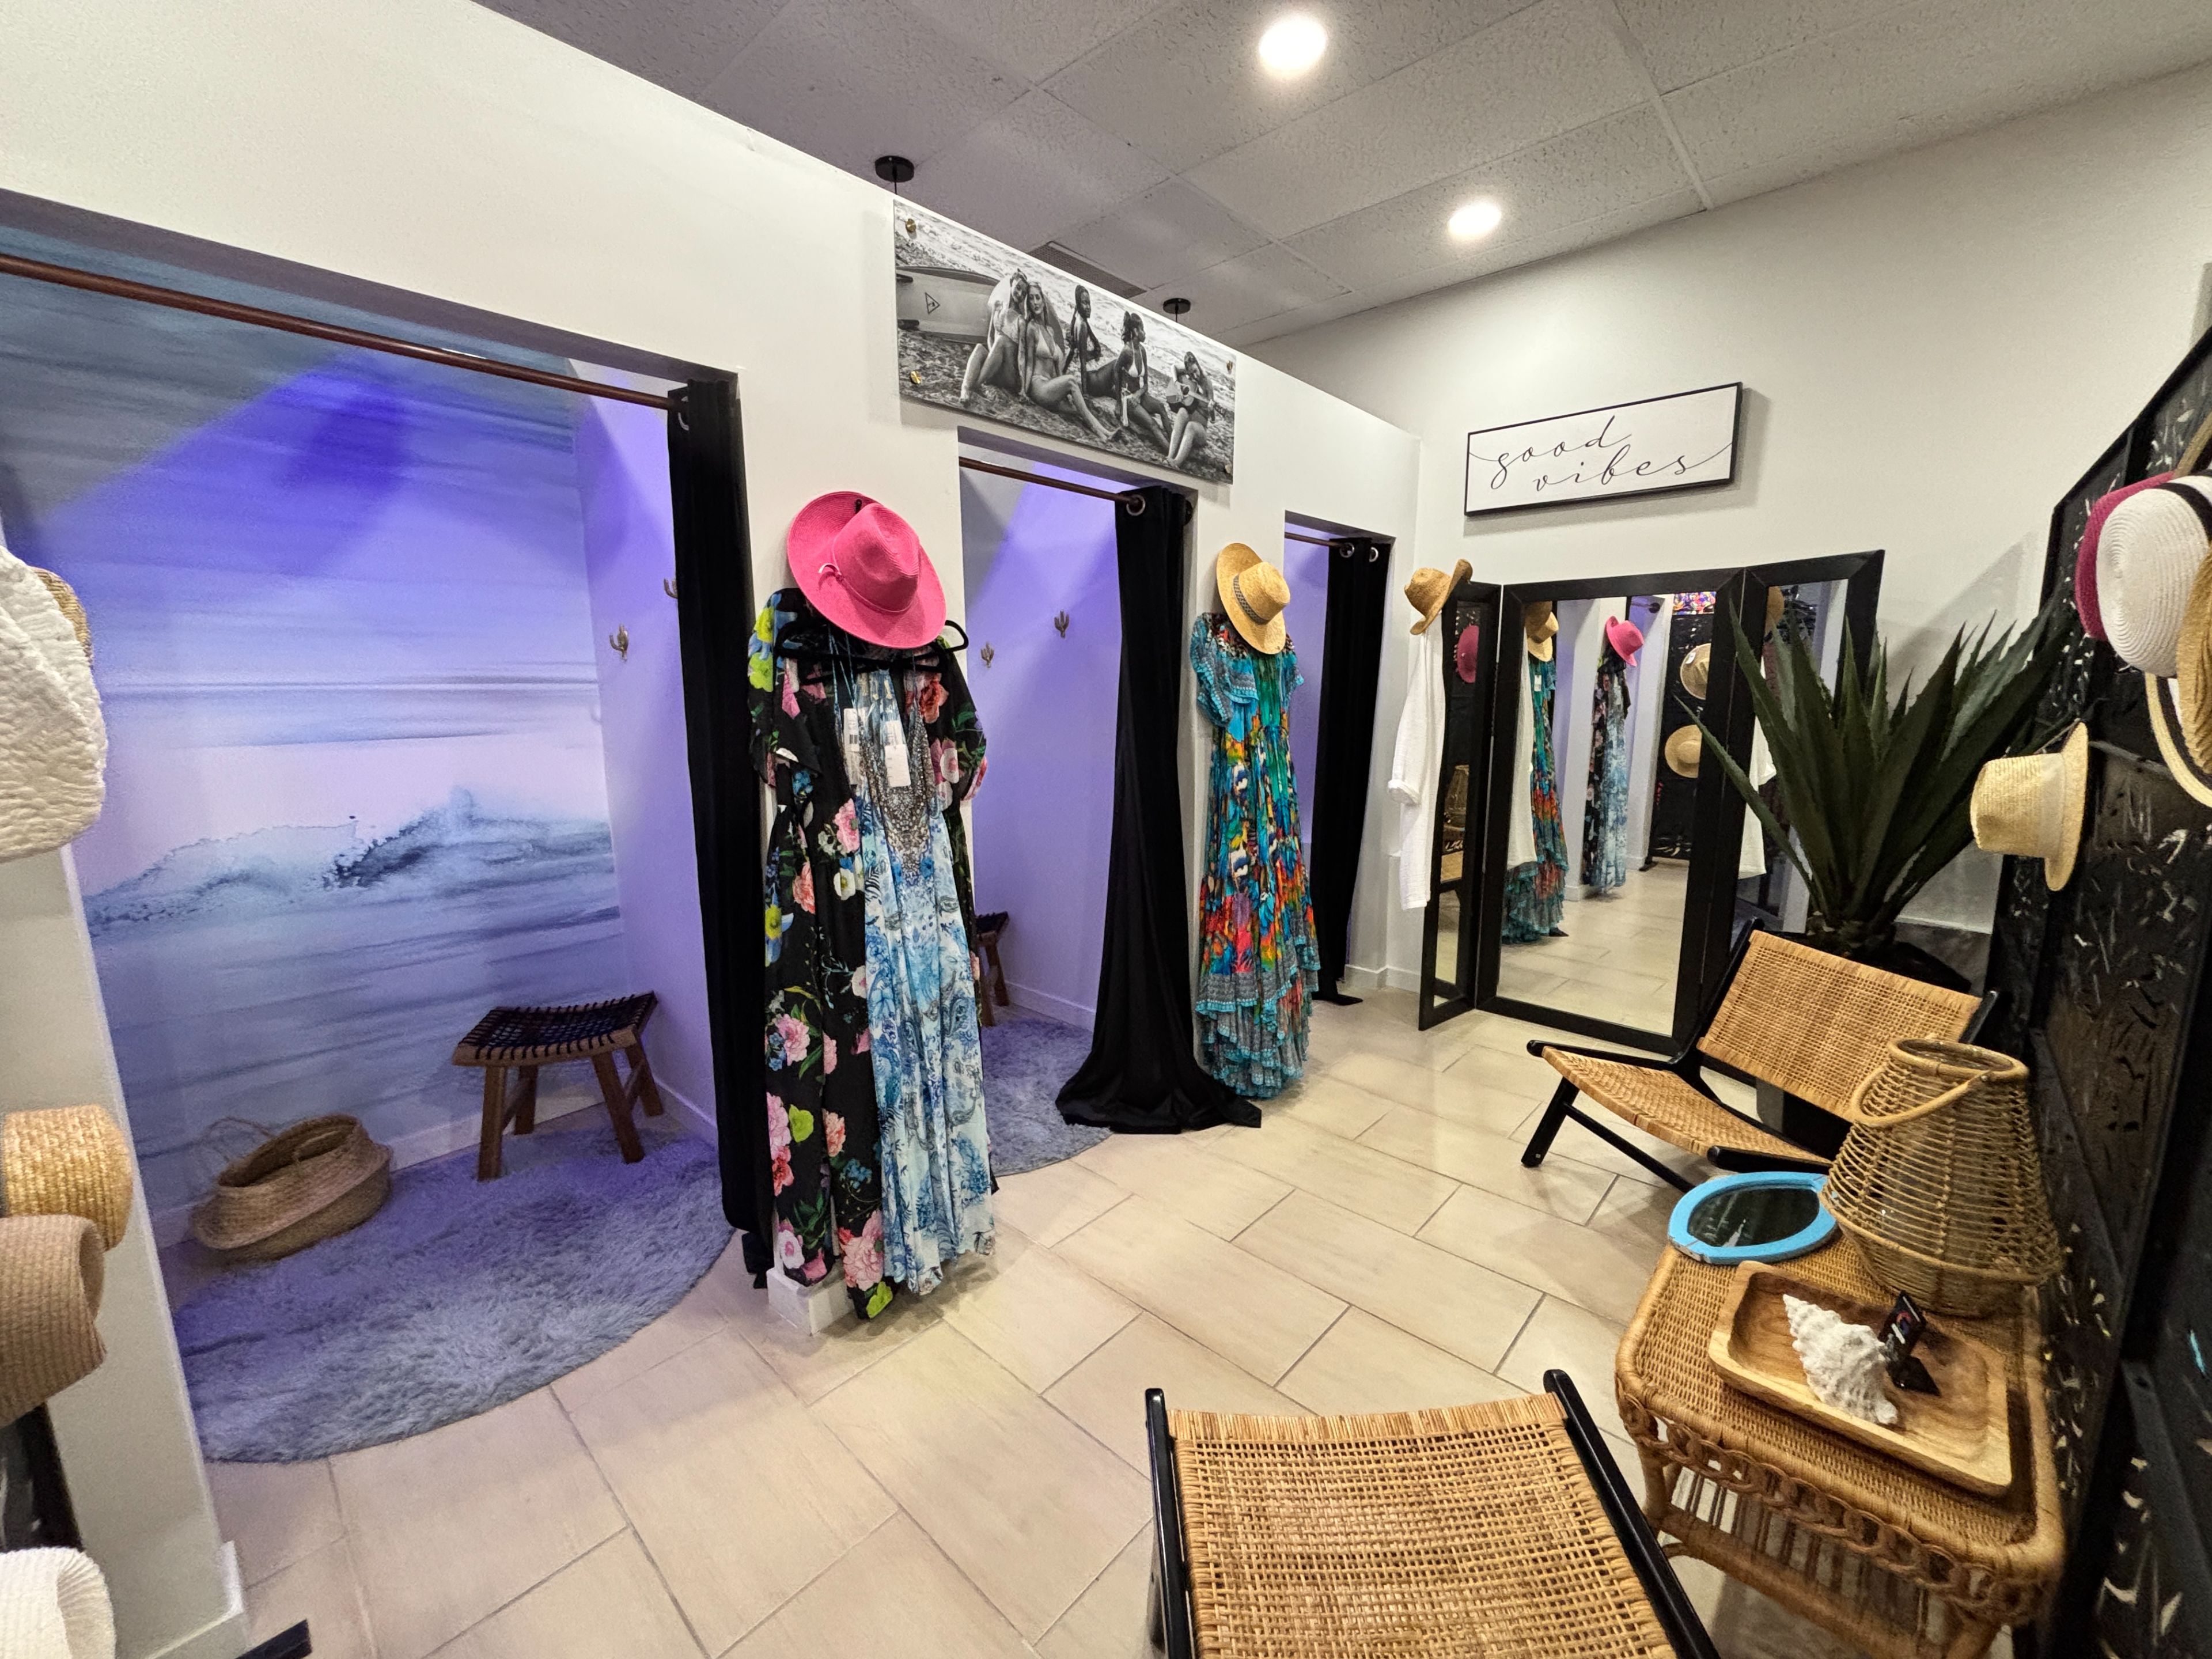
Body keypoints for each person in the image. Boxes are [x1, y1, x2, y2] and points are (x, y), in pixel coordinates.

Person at [1017, 283, 1115, 442]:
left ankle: (1104, 432)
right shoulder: (1032, 329)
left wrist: (1063, 392)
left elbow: (1058, 371)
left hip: (1050, 388)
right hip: (1038, 386)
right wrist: (1024, 390)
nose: (1035, 302)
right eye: (1031, 299)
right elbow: (1028, 363)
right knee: (1071, 381)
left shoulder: (1050, 331)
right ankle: (1101, 432)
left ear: (1043, 301)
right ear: (1028, 304)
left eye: (1038, 298)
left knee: (1079, 410)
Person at [1115, 311, 1172, 452]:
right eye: (1143, 330)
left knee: (1161, 407)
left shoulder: (1142, 351)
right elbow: (1116, 372)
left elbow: (1146, 385)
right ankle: (1171, 454)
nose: (1145, 333)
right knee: (1153, 425)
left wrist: (1138, 394)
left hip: (1139, 396)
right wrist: (1119, 403)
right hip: (1129, 399)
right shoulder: (1127, 351)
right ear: (1136, 331)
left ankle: (1174, 443)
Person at [1168, 350, 1215, 469]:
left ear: (1198, 365)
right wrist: (1176, 382)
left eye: (1195, 371)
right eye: (1191, 374)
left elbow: (1213, 420)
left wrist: (1211, 410)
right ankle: (1170, 456)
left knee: (1191, 426)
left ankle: (1176, 463)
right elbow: (1173, 367)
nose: (1195, 375)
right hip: (1192, 416)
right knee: (1182, 411)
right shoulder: (1189, 371)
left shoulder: (1207, 383)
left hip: (1201, 429)